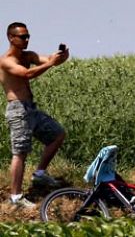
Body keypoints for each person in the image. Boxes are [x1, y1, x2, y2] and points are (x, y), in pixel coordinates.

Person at [0, 22, 69, 208]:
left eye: (28, 36)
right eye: (22, 37)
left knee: (57, 134)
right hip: (18, 110)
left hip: (31, 109)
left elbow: (46, 59)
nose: (27, 39)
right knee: (20, 152)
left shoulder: (27, 55)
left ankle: (39, 175)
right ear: (11, 38)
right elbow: (27, 74)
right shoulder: (6, 60)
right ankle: (16, 197)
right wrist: (50, 64)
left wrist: (61, 57)